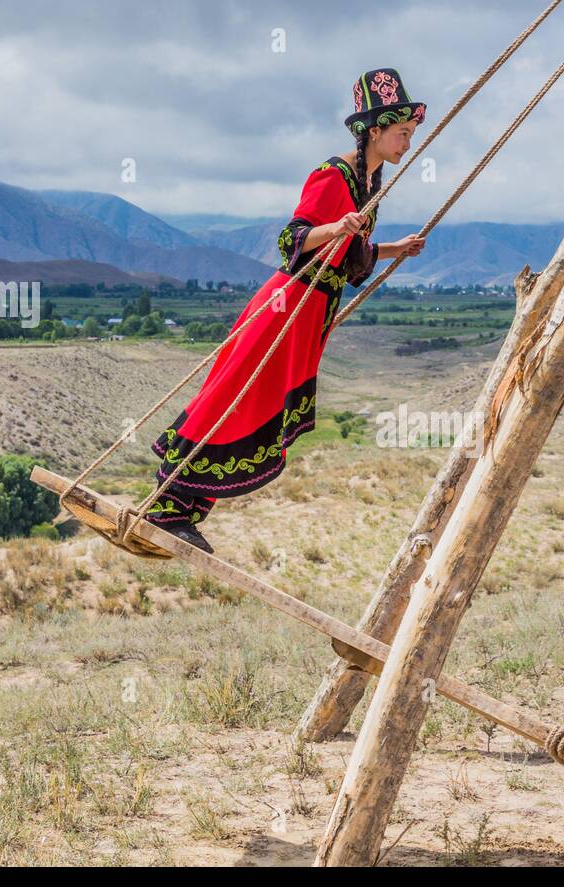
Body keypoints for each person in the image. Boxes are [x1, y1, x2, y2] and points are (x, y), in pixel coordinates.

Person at [145, 68, 429, 552]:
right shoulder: (332, 175)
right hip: (287, 304)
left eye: (410, 134)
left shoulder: (372, 179)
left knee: (260, 405)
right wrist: (338, 226)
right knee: (235, 394)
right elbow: (292, 241)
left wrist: (391, 249)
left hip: (311, 315)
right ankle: (165, 507)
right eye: (402, 133)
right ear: (374, 130)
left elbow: (350, 256)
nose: (407, 144)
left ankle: (185, 515)